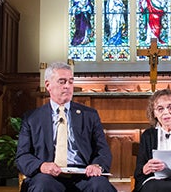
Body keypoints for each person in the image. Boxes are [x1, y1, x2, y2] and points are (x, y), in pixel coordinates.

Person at [16, 62, 116, 192]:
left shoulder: (89, 115)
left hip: (84, 174)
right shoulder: (32, 118)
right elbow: (22, 155)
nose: (67, 86)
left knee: (100, 186)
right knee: (42, 185)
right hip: (48, 175)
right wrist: (42, 166)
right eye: (62, 82)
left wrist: (97, 165)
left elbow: (103, 150)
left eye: (70, 81)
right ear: (48, 85)